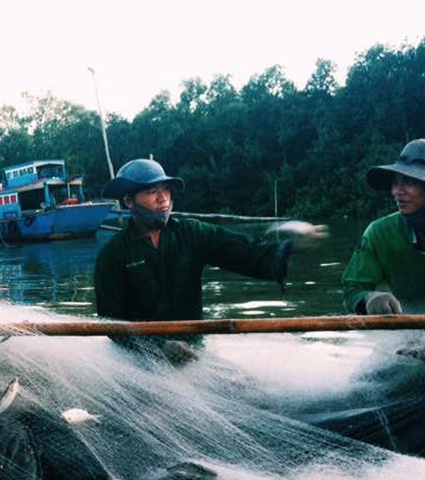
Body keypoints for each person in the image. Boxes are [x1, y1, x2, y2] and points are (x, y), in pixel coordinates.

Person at [93, 157, 326, 362]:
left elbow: (245, 252)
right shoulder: (113, 255)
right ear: (129, 201)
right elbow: (113, 325)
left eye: (166, 189)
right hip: (140, 361)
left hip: (194, 354)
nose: (163, 198)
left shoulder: (193, 234)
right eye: (151, 191)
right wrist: (158, 348)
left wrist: (292, 247)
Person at [342, 139, 425, 315]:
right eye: (395, 182)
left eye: (408, 182)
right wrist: (368, 298)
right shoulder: (379, 233)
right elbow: (352, 290)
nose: (396, 191)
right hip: (405, 334)